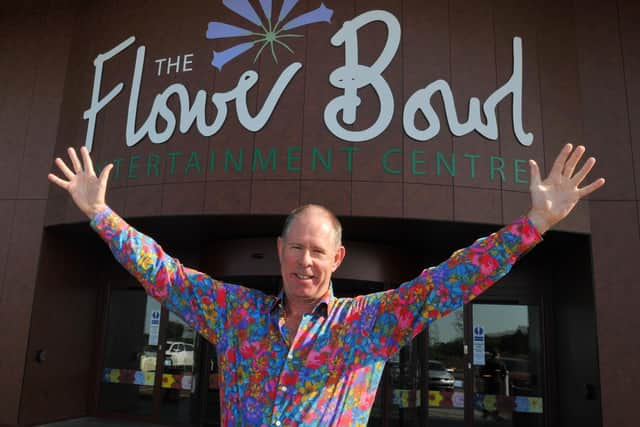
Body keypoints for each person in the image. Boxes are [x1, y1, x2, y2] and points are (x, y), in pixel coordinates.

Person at [48, 144, 604, 426]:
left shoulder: (368, 324)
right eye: (296, 247)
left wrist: (534, 226)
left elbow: (449, 283)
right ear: (280, 250)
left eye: (318, 251)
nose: (305, 262)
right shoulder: (235, 314)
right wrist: (101, 215)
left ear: (336, 258)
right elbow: (165, 274)